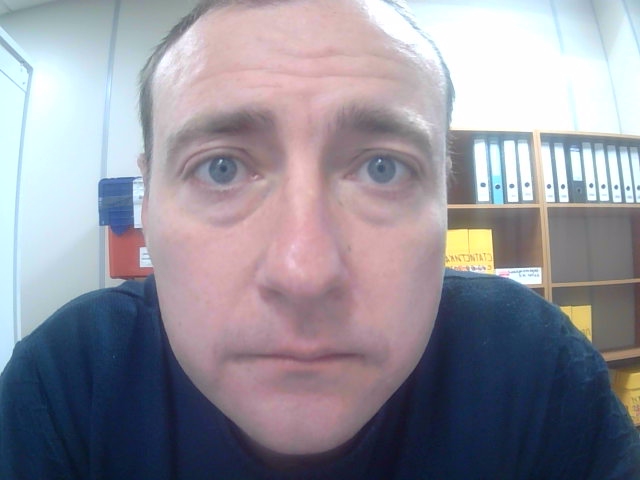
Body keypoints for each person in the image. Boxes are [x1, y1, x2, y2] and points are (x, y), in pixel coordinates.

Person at [1, 0, 639, 478]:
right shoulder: (67, 383)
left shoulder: (534, 366)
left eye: (382, 169)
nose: (303, 272)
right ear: (149, 203)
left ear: (444, 199)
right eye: (220, 168)